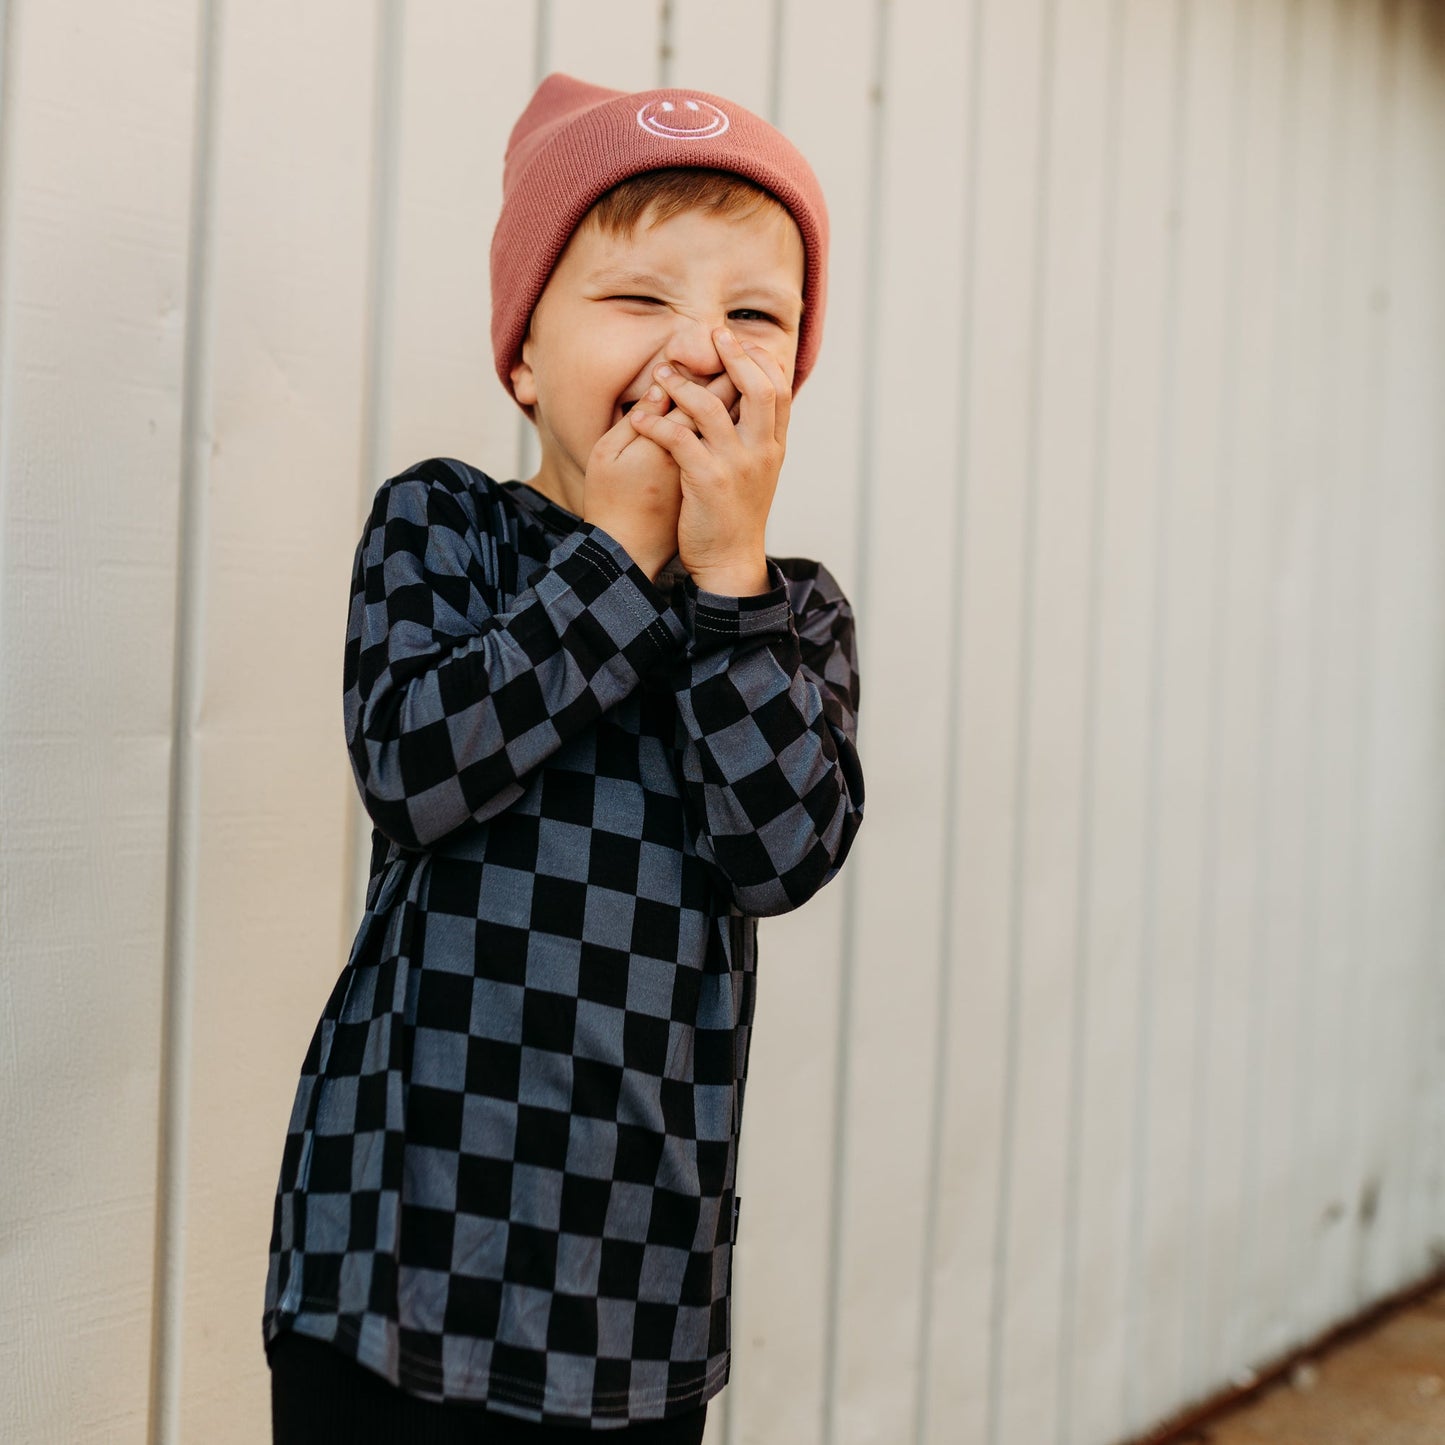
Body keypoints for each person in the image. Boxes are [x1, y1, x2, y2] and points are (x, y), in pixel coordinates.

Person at [261, 71, 865, 1443]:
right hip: (392, 1261)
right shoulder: (447, 527)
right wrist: (615, 558)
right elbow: (415, 764)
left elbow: (779, 853)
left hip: (635, 1298)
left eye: (752, 317)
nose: (696, 351)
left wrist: (720, 575)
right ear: (525, 356)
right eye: (640, 300)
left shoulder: (787, 613)